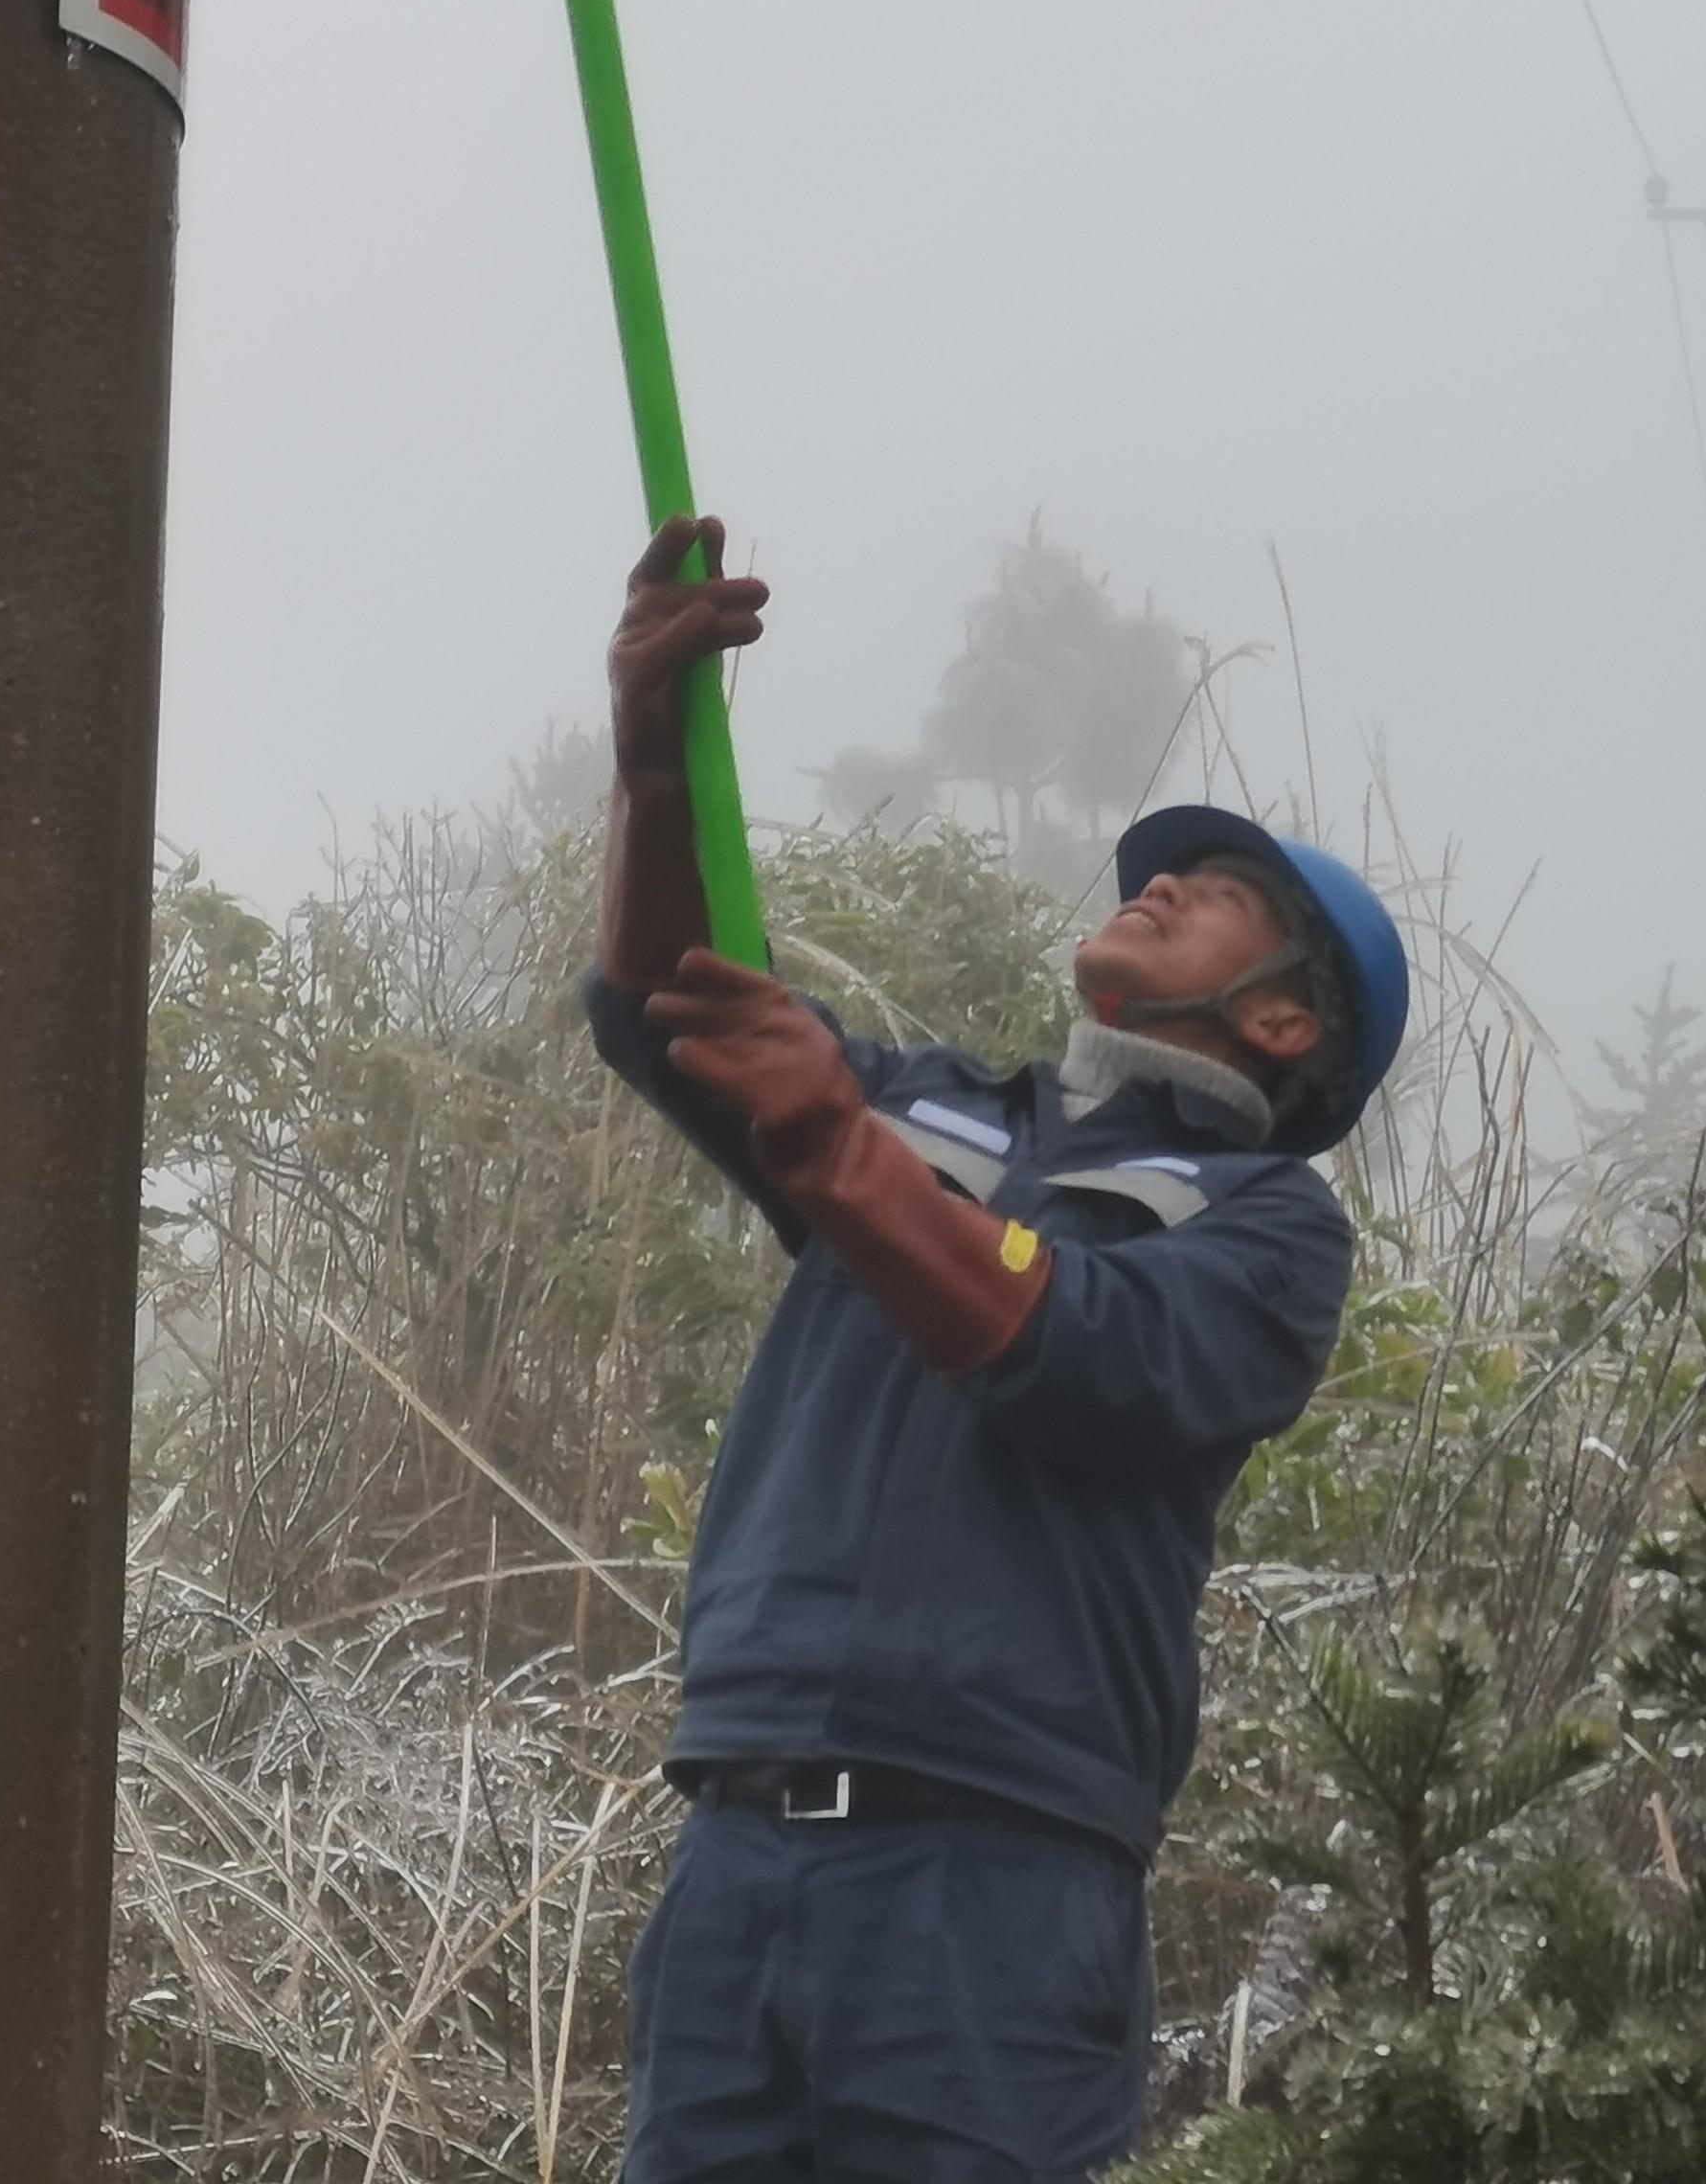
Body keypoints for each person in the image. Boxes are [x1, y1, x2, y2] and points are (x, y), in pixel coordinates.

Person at [586, 514, 1407, 2184]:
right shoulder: (926, 1103)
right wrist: (654, 765)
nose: (1157, 878)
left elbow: (1078, 1355)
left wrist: (838, 1153)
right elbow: (674, 991)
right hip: (738, 1853)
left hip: (995, 1894)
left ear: (1283, 1020)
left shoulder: (1262, 1230)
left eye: (1218, 892)